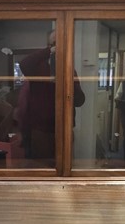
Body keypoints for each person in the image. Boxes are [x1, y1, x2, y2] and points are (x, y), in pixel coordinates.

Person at [18, 30, 85, 159]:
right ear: (49, 46)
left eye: (61, 43)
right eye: (54, 43)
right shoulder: (37, 68)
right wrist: (49, 51)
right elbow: (24, 64)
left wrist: (71, 85)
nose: (58, 46)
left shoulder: (69, 69)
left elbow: (79, 101)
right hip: (41, 130)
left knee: (65, 166)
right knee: (43, 170)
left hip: (64, 128)